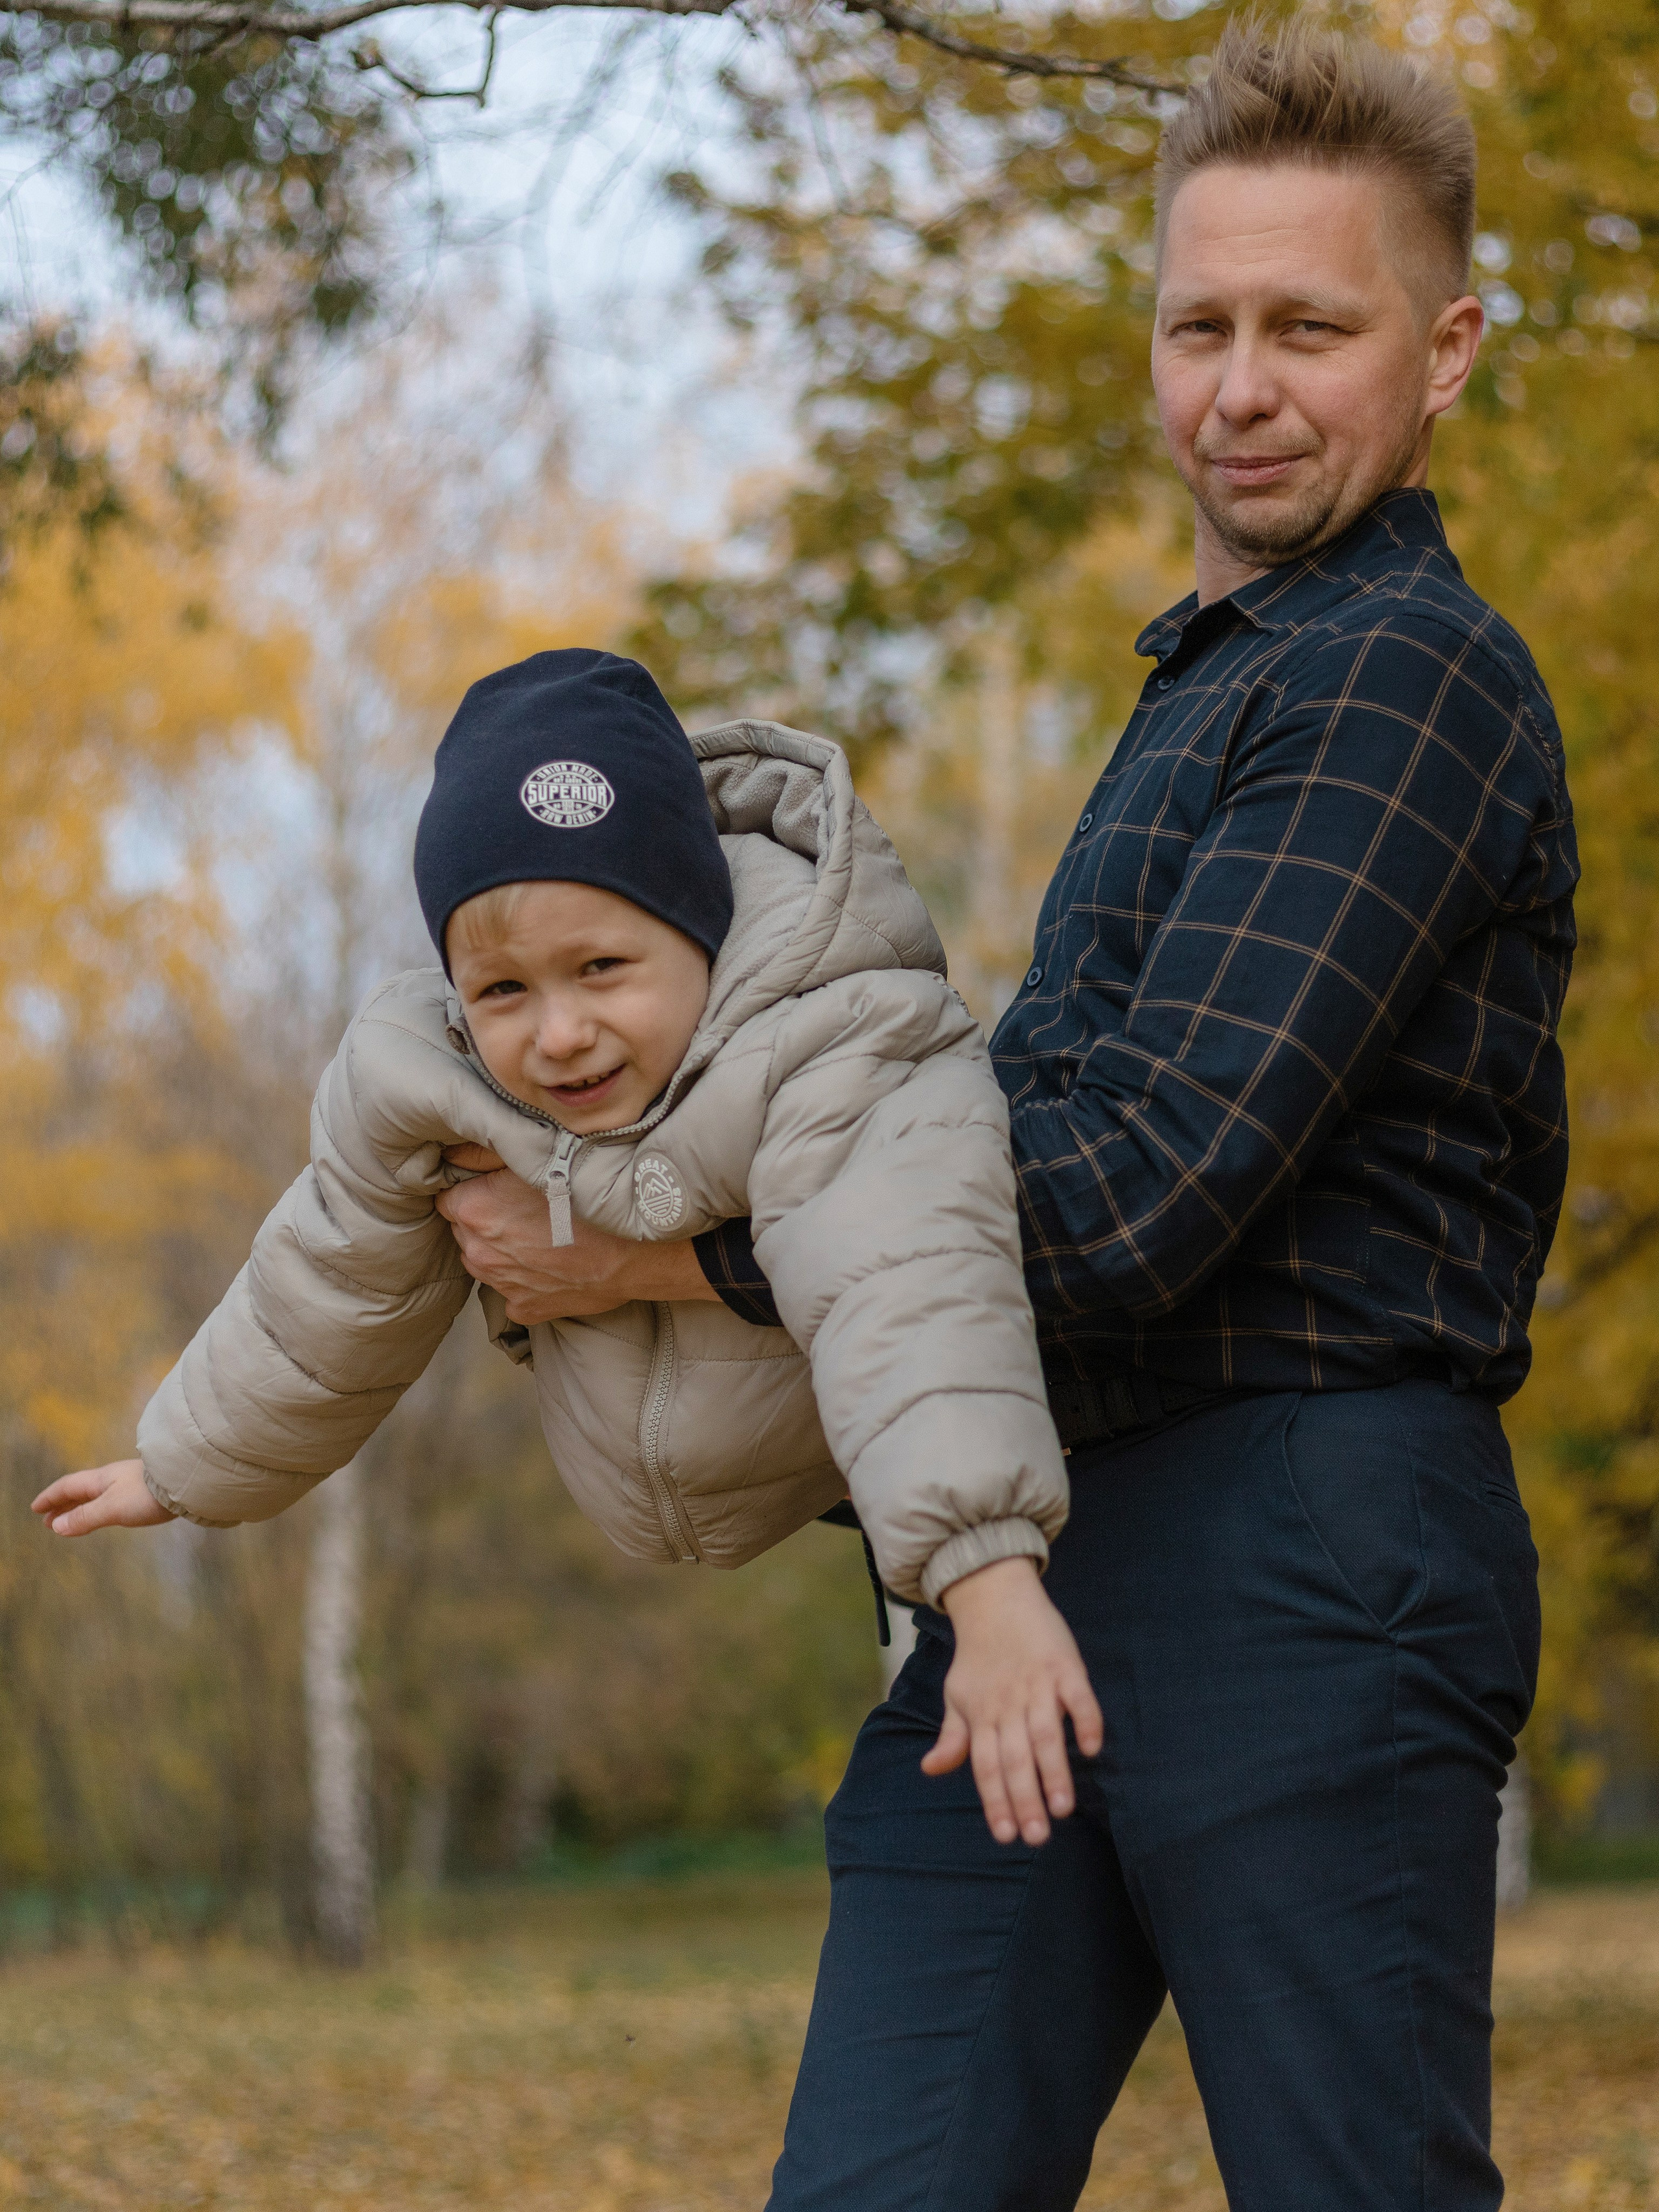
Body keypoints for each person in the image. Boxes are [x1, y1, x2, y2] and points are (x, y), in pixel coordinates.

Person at [411, 23, 1580, 2211]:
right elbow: (964, 1149)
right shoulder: (1206, 694)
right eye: (1199, 324)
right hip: (1038, 1567)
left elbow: (1137, 1189)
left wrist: (654, 1255)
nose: (1240, 385)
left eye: (1310, 328)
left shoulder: (1402, 674)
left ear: (1446, 349)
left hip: (1309, 1550)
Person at [34, 652, 1089, 1806]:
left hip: (897, 1467)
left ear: (701, 924)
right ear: (453, 989)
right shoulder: (421, 1076)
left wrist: (985, 1582)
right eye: (503, 991)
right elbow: (330, 1281)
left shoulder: (835, 1035)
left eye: (603, 968)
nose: (561, 1032)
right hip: (669, 1480)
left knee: (882, 1260)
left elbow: (910, 1290)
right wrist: (185, 1464)